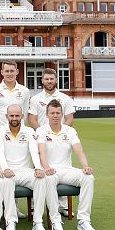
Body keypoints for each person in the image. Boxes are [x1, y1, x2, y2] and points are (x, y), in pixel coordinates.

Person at [37, 99, 97, 230]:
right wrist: (46, 167)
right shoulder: (41, 131)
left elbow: (79, 150)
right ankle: (56, 221)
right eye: (52, 113)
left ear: (62, 114)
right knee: (49, 179)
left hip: (67, 170)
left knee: (88, 178)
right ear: (47, 114)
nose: (55, 115)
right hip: (51, 170)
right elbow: (42, 152)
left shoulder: (70, 130)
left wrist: (85, 166)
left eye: (58, 113)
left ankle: (84, 220)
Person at [0, 104, 49, 230]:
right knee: (6, 181)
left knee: (41, 179)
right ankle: (10, 222)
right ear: (6, 116)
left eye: (17, 115)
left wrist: (38, 168)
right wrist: (5, 168)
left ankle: (37, 221)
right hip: (8, 171)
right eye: (11, 115)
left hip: (25, 171)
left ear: (22, 116)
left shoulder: (29, 131)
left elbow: (34, 152)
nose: (14, 118)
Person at [28, 67, 75, 215]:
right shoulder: (36, 99)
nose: (49, 81)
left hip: (60, 141)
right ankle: (36, 205)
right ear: (42, 80)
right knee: (40, 170)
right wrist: (43, 133)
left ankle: (63, 206)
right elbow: (31, 119)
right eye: (46, 79)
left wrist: (60, 134)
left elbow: (69, 118)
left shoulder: (65, 98)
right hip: (41, 140)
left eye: (51, 79)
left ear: (56, 80)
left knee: (61, 170)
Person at [0, 61, 30, 130]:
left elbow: (25, 114)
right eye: (7, 71)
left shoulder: (24, 91)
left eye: (12, 71)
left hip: (19, 131)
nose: (9, 74)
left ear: (17, 72)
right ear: (2, 72)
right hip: (0, 130)